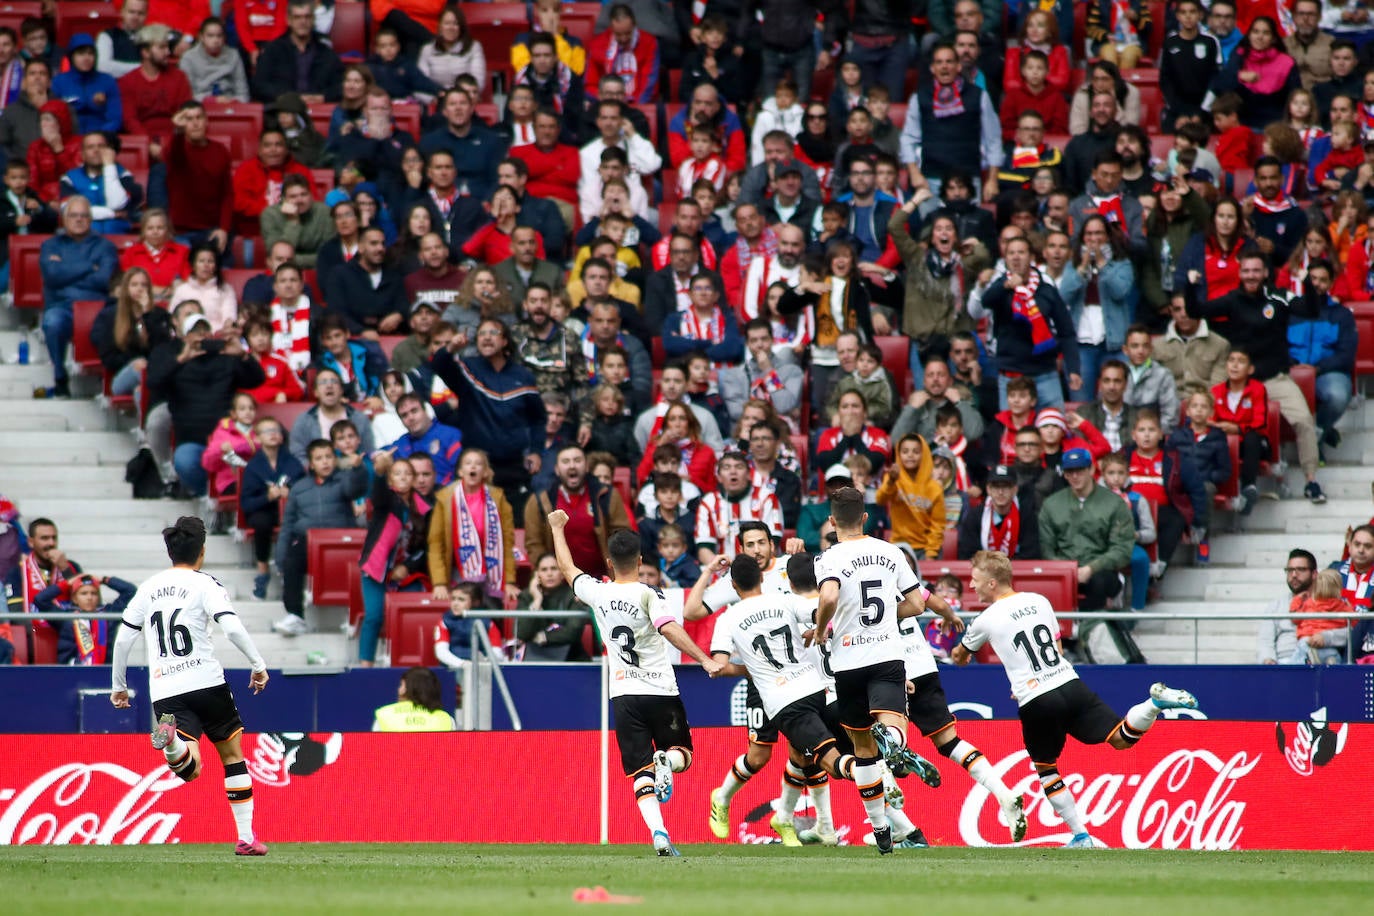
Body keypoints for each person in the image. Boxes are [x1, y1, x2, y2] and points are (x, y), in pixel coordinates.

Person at [952, 550, 1198, 848]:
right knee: (1121, 737)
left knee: (1045, 767)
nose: (972, 586)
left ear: (992, 583)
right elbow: (1055, 644)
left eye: (975, 580)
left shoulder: (985, 619)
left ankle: (1081, 835)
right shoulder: (1038, 601)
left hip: (1036, 698)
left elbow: (960, 658)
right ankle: (1154, 704)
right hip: (1069, 682)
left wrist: (957, 645)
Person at [546, 508, 723, 856]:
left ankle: (659, 833)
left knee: (638, 771)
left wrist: (557, 528)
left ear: (609, 562)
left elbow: (567, 569)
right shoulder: (649, 594)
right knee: (682, 755)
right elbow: (669, 628)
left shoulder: (598, 592)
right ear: (640, 560)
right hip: (659, 689)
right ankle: (667, 764)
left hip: (624, 694)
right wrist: (703, 659)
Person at [808, 487, 961, 854]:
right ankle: (896, 742)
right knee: (892, 722)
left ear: (832, 521)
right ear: (864, 518)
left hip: (846, 663)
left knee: (863, 750)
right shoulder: (890, 551)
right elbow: (916, 603)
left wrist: (821, 628)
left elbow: (828, 598)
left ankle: (880, 829)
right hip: (886, 655)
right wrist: (886, 617)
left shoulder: (828, 557)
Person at [109, 517, 270, 856]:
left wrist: (119, 686)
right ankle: (245, 837)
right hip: (206, 682)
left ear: (170, 550)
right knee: (232, 756)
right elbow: (233, 629)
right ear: (202, 551)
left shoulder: (149, 588)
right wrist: (258, 664)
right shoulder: (205, 584)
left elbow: (124, 638)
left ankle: (172, 746)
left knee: (190, 769)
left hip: (166, 688)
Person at [1189, 250, 1325, 503]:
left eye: (1256, 271)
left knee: (1305, 420)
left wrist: (1307, 283)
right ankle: (1206, 479)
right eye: (1246, 271)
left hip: (1275, 379)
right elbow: (1195, 310)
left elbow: (1310, 310)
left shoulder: (1280, 297)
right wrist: (1191, 285)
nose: (1251, 276)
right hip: (1239, 383)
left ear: (1265, 273)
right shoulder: (1232, 300)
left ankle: (1311, 480)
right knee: (1201, 414)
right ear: (1239, 273)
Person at [1038, 448, 1138, 656]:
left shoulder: (1114, 503)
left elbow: (1122, 548)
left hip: (1101, 571)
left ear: (1092, 469)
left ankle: (1085, 638)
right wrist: (1066, 571)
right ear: (1064, 474)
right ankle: (1063, 643)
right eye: (1070, 472)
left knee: (1099, 583)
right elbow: (1047, 548)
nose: (1075, 476)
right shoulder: (1052, 505)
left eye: (1080, 470)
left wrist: (1091, 568)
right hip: (1062, 573)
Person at [980, 235, 1081, 409]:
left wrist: (1073, 368)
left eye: (1021, 252)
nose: (1016, 257)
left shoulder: (1046, 289)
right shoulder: (1001, 287)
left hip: (1045, 375)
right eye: (1011, 253)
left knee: (1054, 429)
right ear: (1005, 259)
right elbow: (986, 301)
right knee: (1014, 434)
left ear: (1032, 257)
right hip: (1011, 376)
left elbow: (1066, 332)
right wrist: (1006, 285)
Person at [38, 196, 119, 398]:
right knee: (52, 321)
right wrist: (89, 267)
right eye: (73, 215)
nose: (79, 219)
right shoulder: (50, 245)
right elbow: (52, 276)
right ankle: (60, 377)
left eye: (84, 215)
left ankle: (106, 379)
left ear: (91, 220)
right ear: (64, 219)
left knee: (113, 322)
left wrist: (66, 271)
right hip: (62, 306)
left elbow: (104, 279)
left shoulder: (105, 246)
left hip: (95, 308)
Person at [427, 447, 519, 610]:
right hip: (458, 574)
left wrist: (510, 582)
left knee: (492, 616)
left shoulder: (498, 498)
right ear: (461, 471)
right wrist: (440, 583)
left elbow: (507, 544)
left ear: (485, 472)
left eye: (478, 464)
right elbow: (436, 544)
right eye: (468, 463)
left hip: (493, 575)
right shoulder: (445, 498)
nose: (473, 467)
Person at [251, 0, 342, 103]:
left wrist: (323, 97)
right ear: (288, 20)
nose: (303, 22)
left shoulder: (326, 52)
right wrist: (287, 98)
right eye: (297, 17)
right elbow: (259, 85)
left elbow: (339, 87)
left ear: (313, 19)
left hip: (317, 109)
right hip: (282, 110)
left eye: (307, 17)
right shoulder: (273, 50)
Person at [117, 25, 191, 142]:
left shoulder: (179, 77)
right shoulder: (127, 81)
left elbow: (185, 113)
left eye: (167, 47)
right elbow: (130, 120)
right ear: (145, 52)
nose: (167, 52)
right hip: (142, 143)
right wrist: (148, 143)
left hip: (176, 140)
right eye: (162, 47)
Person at [958, 464, 1041, 559]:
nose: (1000, 492)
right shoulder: (975, 516)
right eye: (996, 487)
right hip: (984, 571)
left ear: (1015, 490)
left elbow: (1031, 554)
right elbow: (967, 553)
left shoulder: (1026, 516)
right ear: (988, 489)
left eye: (1006, 486)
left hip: (1016, 571)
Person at [1258, 548, 1316, 663]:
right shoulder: (1276, 605)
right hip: (1282, 663)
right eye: (1290, 570)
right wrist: (1268, 659)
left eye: (1301, 569)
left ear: (1314, 574)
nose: (1294, 575)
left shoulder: (1326, 603)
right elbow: (1265, 641)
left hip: (1315, 663)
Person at [179, 17, 249, 102]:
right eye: (210, 36)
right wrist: (212, 100)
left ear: (224, 37)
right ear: (201, 37)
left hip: (230, 105)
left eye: (219, 36)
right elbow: (187, 95)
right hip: (200, 106)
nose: (215, 40)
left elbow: (243, 93)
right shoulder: (188, 58)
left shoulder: (233, 55)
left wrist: (233, 101)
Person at [373, 667, 455, 731]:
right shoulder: (446, 719)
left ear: (405, 689)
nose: (398, 689)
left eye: (401, 685)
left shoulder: (384, 715)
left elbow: (375, 750)